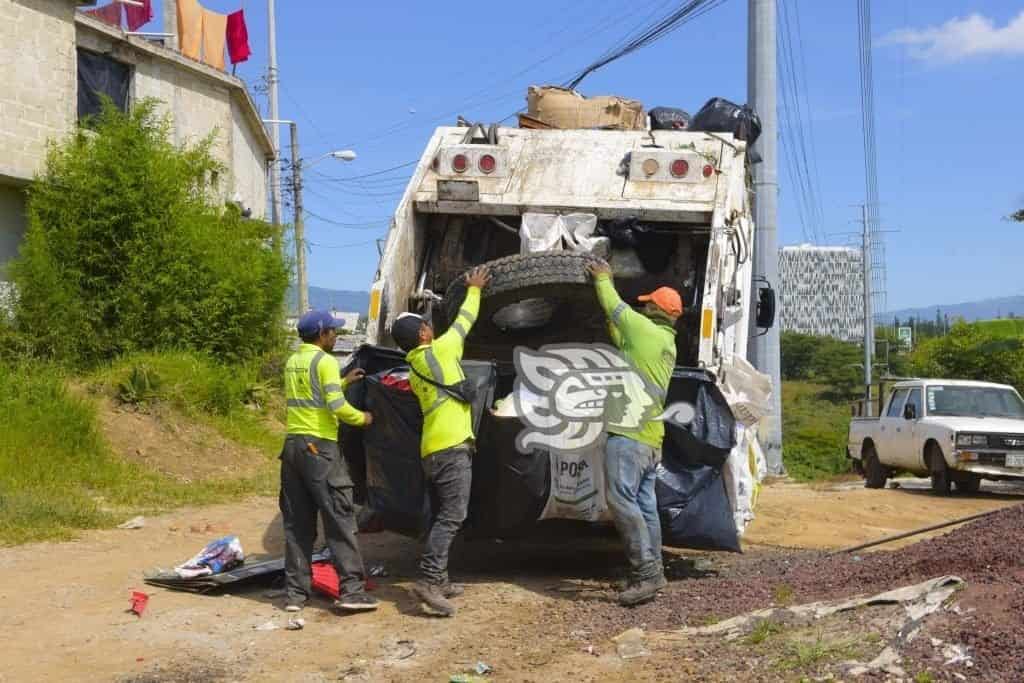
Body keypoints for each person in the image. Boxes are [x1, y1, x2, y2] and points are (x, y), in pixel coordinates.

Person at [390, 265, 491, 617]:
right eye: (427, 324)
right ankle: (430, 581)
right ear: (422, 334)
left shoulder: (415, 364)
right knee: (453, 515)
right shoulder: (441, 351)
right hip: (450, 448)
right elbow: (466, 319)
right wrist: (475, 289)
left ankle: (441, 578)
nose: (433, 326)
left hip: (432, 449)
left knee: (440, 515)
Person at [587, 259, 681, 606]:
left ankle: (645, 574)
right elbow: (623, 337)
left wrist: (602, 278)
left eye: (647, 304)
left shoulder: (645, 331)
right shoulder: (663, 342)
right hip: (650, 440)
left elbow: (614, 306)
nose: (642, 307)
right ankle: (654, 570)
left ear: (655, 310)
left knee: (621, 500)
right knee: (645, 505)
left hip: (628, 435)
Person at [280, 310, 377, 613]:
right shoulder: (324, 361)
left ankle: (296, 595)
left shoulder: (294, 360)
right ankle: (351, 591)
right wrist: (363, 418)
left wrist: (343, 381)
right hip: (319, 448)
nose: (336, 336)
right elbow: (335, 406)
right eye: (333, 332)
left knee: (298, 524)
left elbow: (313, 397)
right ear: (321, 335)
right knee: (339, 517)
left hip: (293, 447)